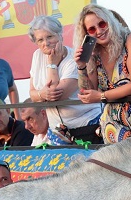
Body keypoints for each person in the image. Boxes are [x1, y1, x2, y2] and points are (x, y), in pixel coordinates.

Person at [74, 5, 131, 143]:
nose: (99, 31)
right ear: (87, 34)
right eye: (92, 29)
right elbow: (88, 91)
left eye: (102, 24)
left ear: (111, 22)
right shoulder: (95, 54)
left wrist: (102, 96)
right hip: (111, 127)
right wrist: (81, 66)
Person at [28, 16, 101, 144]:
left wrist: (52, 65)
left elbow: (56, 95)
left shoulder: (74, 59)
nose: (46, 43)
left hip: (86, 124)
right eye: (40, 40)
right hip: (58, 130)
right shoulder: (36, 56)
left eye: (50, 36)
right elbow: (32, 94)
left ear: (60, 35)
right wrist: (41, 94)